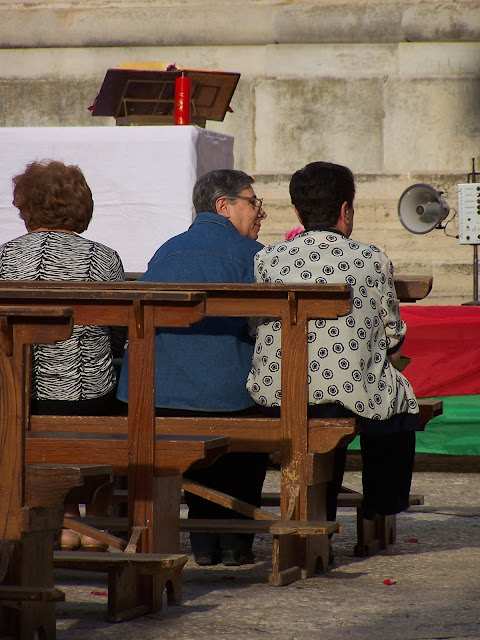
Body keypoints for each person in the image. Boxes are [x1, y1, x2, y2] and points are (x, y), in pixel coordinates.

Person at [247, 161, 420, 535]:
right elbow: (392, 334)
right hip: (345, 390)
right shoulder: (371, 259)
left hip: (278, 390)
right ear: (345, 210)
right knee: (396, 394)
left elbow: (256, 325)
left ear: (298, 212)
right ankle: (380, 505)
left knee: (332, 394)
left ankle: (321, 512)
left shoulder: (267, 259)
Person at [117, 169, 269, 566]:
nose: (260, 213)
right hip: (230, 396)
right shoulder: (253, 256)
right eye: (254, 202)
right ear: (224, 206)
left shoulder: (166, 251)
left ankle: (204, 540)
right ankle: (237, 540)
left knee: (195, 426)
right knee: (252, 406)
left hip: (161, 397)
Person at [0, 159, 126, 550]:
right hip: (85, 397)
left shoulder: (5, 257)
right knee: (116, 383)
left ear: (26, 208)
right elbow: (120, 333)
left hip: (17, 394)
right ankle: (91, 518)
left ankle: (56, 516)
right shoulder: (102, 258)